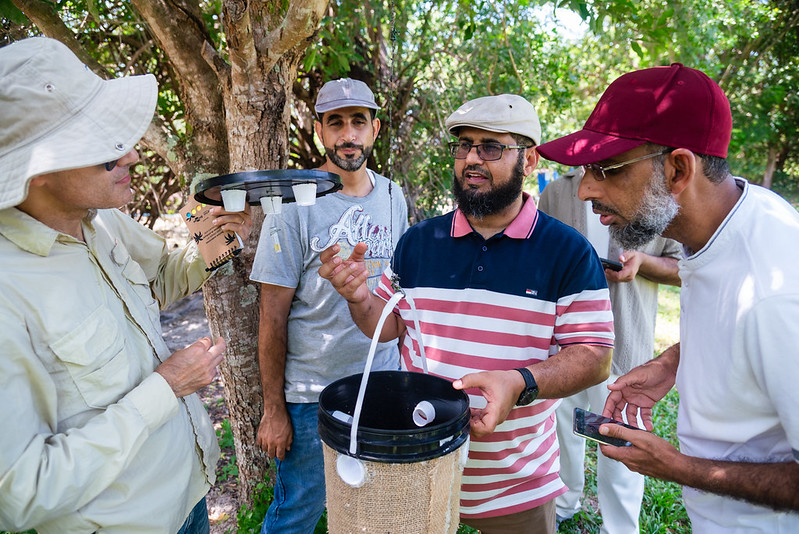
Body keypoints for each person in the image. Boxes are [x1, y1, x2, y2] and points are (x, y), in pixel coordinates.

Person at [319, 94, 614, 533]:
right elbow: (387, 325)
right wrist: (359, 297)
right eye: (463, 146)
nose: (472, 159)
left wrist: (521, 382)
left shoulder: (567, 251)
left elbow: (594, 356)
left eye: (490, 147)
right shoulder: (419, 242)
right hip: (418, 473)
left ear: (530, 159)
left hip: (516, 485)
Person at [0, 37, 252, 533]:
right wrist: (166, 388)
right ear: (39, 168)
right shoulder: (9, 290)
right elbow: (21, 491)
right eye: (106, 152)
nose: (132, 155)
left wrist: (221, 237)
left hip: (189, 494)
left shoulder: (100, 220)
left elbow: (162, 278)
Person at [537, 63, 799, 532]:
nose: (587, 190)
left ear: (678, 169)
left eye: (607, 170)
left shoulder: (775, 294)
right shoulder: (732, 220)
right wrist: (676, 360)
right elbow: (731, 319)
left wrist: (677, 467)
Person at [250, 77, 408, 534]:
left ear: (375, 128)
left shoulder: (393, 196)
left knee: (374, 511)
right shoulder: (293, 206)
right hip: (312, 396)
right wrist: (274, 409)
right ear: (319, 130)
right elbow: (271, 316)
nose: (348, 135)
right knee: (297, 514)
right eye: (335, 123)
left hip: (381, 383)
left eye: (358, 121)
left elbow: (399, 293)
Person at [538, 168, 681, 532]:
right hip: (563, 341)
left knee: (619, 435)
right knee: (561, 428)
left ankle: (619, 527)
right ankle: (564, 501)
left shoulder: (653, 190)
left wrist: (643, 263)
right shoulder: (556, 191)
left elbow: (684, 266)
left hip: (624, 341)